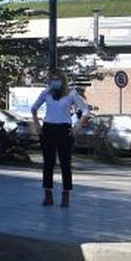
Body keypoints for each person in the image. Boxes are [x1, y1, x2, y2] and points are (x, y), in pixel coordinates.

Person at [30, 70, 91, 206]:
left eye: (57, 79)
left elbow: (86, 110)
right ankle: (48, 194)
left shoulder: (71, 94)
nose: (54, 82)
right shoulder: (46, 92)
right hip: (48, 129)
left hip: (64, 130)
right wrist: (37, 125)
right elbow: (33, 108)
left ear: (63, 80)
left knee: (65, 163)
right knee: (48, 163)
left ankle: (65, 194)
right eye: (52, 79)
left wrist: (77, 127)